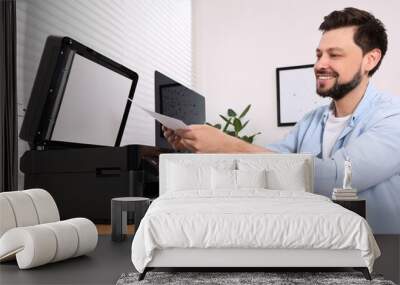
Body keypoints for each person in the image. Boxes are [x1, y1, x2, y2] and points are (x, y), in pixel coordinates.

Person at [162, 7, 400, 234]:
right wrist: (198, 144)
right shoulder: (311, 121)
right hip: (319, 248)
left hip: (380, 253)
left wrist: (227, 144)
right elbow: (268, 158)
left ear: (370, 59)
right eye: (319, 55)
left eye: (334, 55)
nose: (319, 64)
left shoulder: (393, 117)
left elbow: (337, 179)